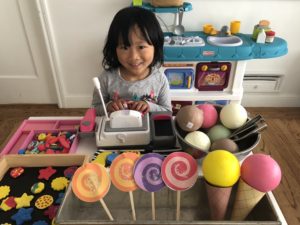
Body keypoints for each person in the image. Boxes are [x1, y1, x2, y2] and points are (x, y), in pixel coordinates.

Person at [92, 6, 172, 116]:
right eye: (125, 47)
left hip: (147, 131)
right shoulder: (106, 79)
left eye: (141, 47)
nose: (134, 57)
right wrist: (109, 107)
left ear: (155, 46)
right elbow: (94, 109)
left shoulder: (160, 80)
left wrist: (149, 106)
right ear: (114, 48)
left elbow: (167, 112)